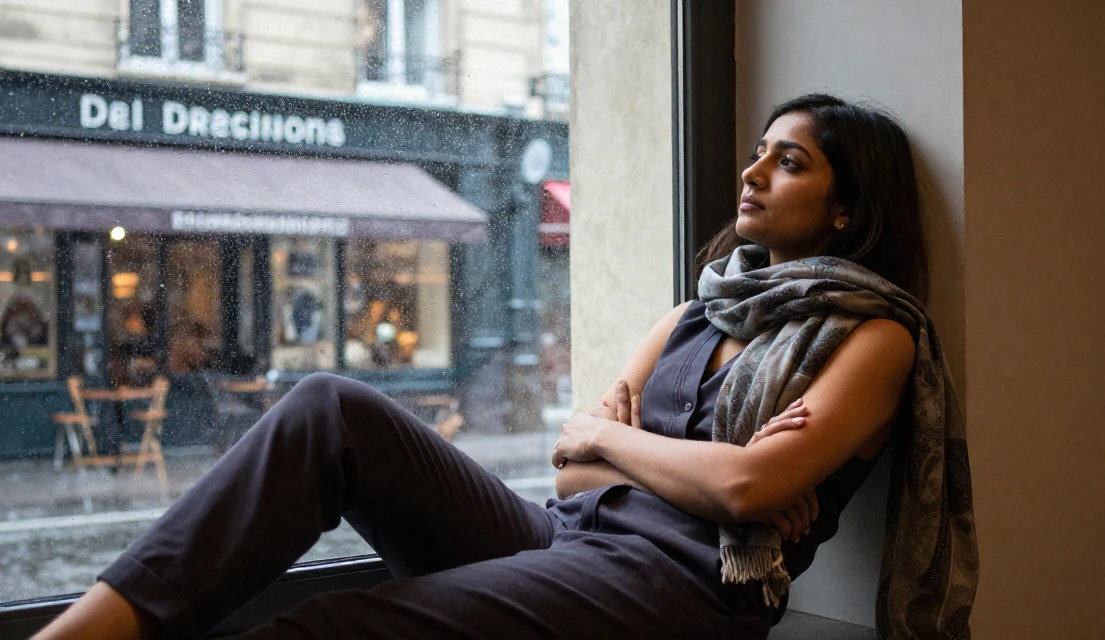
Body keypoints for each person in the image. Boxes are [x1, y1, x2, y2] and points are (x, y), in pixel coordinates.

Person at [34, 95, 977, 640]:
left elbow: (734, 485)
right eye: (756, 152)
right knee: (330, 407)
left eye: (791, 162)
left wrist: (622, 438)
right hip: (569, 539)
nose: (754, 173)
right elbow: (573, 465)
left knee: (327, 628)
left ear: (848, 210)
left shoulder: (875, 337)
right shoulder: (700, 309)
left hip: (681, 595)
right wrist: (680, 472)